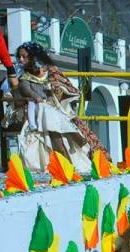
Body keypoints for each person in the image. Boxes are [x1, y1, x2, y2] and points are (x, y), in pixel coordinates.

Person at [14, 42, 94, 173]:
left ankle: (69, 154)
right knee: (48, 114)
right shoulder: (23, 76)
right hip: (34, 111)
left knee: (54, 116)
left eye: (24, 56)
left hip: (50, 110)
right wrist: (36, 97)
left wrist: (56, 89)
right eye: (19, 57)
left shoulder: (48, 74)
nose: (21, 59)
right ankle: (74, 142)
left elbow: (56, 94)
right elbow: (25, 90)